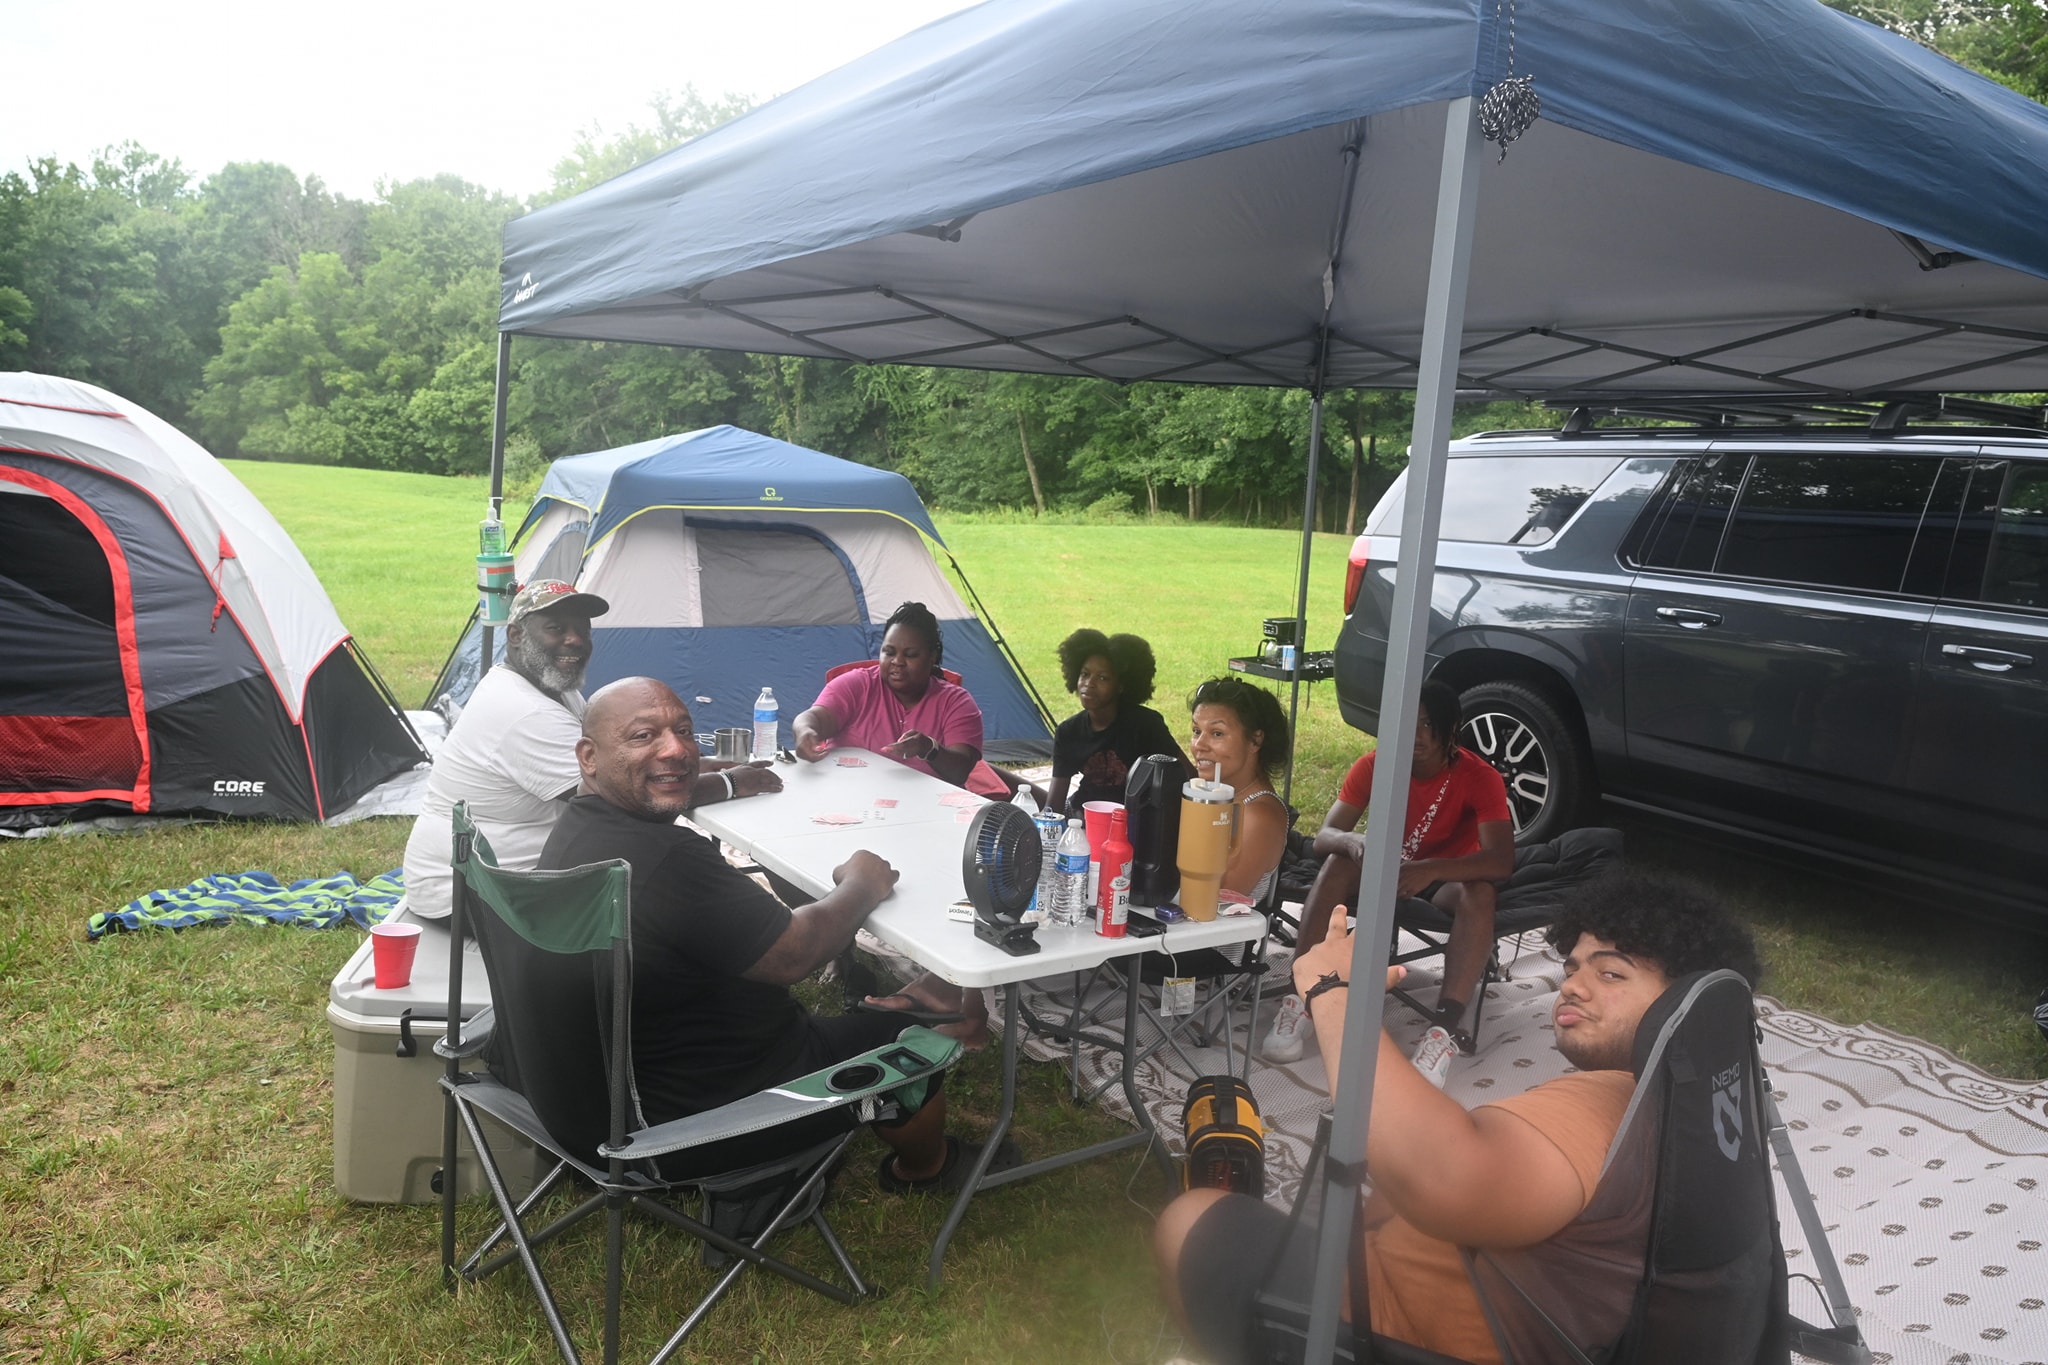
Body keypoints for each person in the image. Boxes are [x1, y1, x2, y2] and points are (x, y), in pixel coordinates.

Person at [1154, 872, 1763, 1365]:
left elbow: (1437, 1174)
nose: (1574, 986)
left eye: (1611, 973)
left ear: (1682, 1000)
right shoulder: (1706, 1108)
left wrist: (1333, 991)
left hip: (1395, 1333)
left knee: (1193, 1216)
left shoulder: (1607, 1105)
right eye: (1574, 967)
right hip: (1490, 1316)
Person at [539, 677, 1008, 1190]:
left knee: (905, 1006)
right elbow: (794, 954)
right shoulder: (666, 861)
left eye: (684, 730)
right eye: (643, 736)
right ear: (588, 756)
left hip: (591, 1100)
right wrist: (862, 883)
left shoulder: (577, 832)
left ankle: (897, 1005)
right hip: (686, 1120)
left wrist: (731, 782)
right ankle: (925, 1168)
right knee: (904, 1043)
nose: (676, 749)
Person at [401, 580, 780, 920]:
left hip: (500, 879)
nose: (575, 640)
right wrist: (731, 783)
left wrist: (710, 764)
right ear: (515, 635)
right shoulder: (524, 712)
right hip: (471, 897)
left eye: (583, 630)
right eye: (556, 628)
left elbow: (618, 765)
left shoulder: (550, 688)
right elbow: (624, 797)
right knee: (667, 872)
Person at [1262, 680, 1513, 1063]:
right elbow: (1324, 837)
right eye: (1406, 723)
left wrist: (1430, 870)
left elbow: (1500, 860)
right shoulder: (1375, 765)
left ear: (1451, 728)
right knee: (1338, 861)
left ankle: (1444, 1026)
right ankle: (1300, 998)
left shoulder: (1479, 777)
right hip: (1386, 870)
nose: (1415, 735)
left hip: (1446, 877)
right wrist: (1354, 842)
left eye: (1428, 724)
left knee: (1479, 891)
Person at [792, 601, 989, 791]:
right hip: (849, 799)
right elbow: (813, 718)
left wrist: (929, 748)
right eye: (889, 652)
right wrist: (805, 731)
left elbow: (960, 771)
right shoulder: (857, 685)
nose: (897, 662)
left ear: (932, 656)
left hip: (927, 810)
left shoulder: (956, 702)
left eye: (910, 654)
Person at [1046, 628, 1190, 816]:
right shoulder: (1068, 731)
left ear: (1121, 685)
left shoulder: (1145, 725)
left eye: (1103, 677)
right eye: (1084, 674)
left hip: (1136, 820)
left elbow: (1188, 776)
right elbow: (1054, 805)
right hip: (1085, 819)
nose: (1089, 683)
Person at [1187, 676, 1292, 905]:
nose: (1199, 745)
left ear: (1255, 740)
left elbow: (1211, 901)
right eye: (1196, 731)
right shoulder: (1216, 796)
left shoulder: (1258, 815)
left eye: (1217, 734)